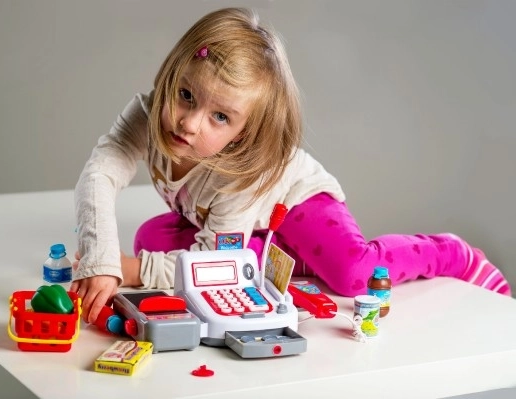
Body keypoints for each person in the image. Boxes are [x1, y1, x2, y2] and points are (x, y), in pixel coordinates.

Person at [71, 7, 511, 324]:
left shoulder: (235, 176)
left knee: (352, 274)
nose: (188, 122)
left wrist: (132, 270)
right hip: (244, 223)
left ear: (242, 132)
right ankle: (267, 252)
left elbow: (211, 267)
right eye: (186, 95)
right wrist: (102, 260)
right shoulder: (148, 116)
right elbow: (100, 173)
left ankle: (453, 252)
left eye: (219, 117)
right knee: (149, 237)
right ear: (172, 74)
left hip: (300, 203)